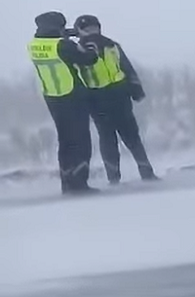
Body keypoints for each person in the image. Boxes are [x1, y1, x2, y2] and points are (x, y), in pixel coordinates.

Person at [73, 14, 158, 184]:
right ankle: (113, 178)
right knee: (107, 140)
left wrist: (136, 89)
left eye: (94, 28)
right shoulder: (77, 51)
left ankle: (147, 172)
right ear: (79, 32)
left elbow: (126, 67)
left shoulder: (112, 45)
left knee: (132, 137)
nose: (92, 32)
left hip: (120, 96)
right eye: (87, 29)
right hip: (96, 100)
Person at [28, 11, 99, 195]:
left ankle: (67, 182)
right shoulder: (63, 45)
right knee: (81, 142)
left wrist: (69, 33)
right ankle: (79, 184)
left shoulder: (34, 44)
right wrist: (91, 46)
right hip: (71, 96)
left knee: (66, 141)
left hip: (52, 98)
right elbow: (89, 59)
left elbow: (53, 40)